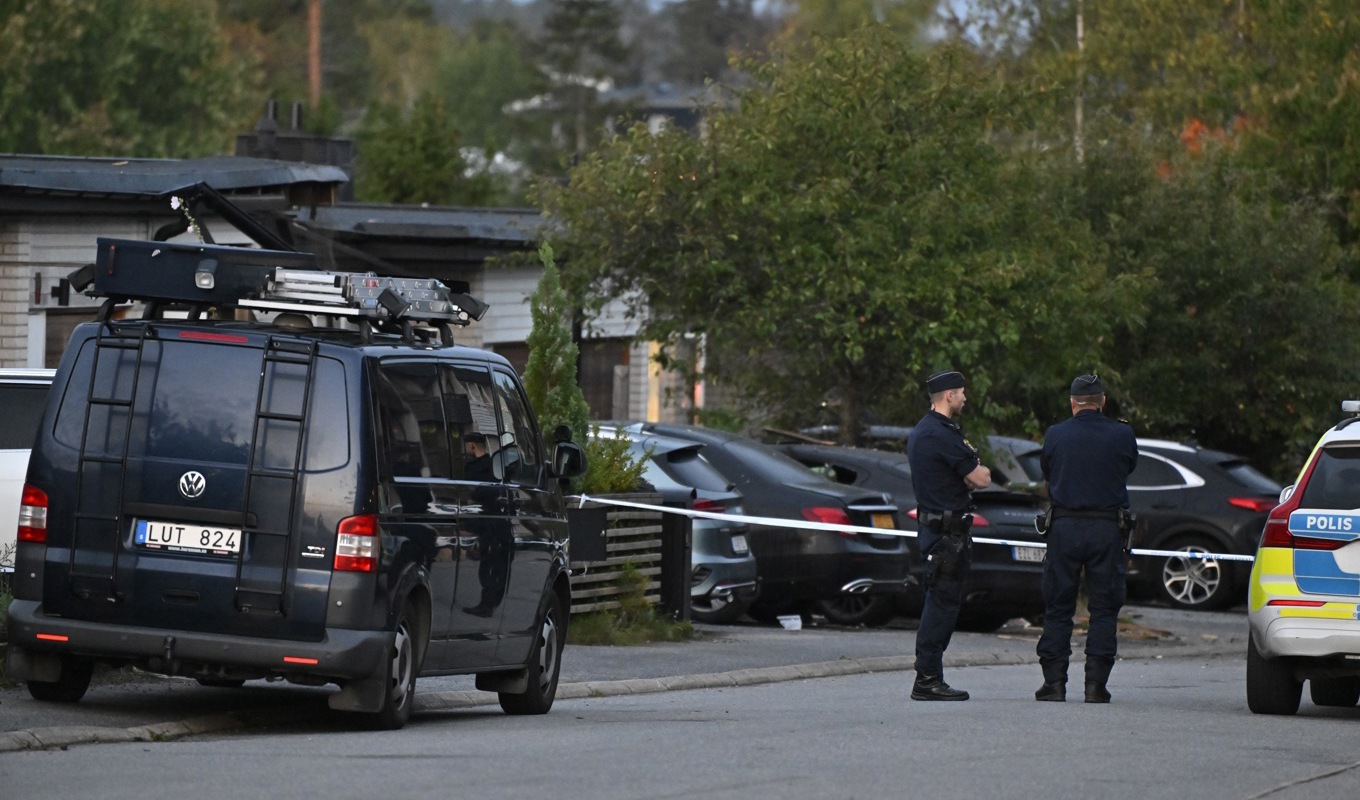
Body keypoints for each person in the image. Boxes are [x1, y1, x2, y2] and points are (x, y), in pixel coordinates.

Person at [1034, 374, 1139, 704]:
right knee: (1105, 608)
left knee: (1057, 606)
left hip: (1064, 528)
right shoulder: (1121, 434)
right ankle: (1096, 685)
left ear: (1072, 402)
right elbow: (1128, 467)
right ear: (1103, 401)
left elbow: (1048, 471)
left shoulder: (1056, 434)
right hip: (1106, 529)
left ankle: (1053, 684)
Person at [906, 369, 991, 701]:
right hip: (944, 534)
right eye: (962, 392)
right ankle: (927, 678)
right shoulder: (938, 434)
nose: (965, 398)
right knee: (940, 607)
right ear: (949, 396)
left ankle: (930, 676)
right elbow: (981, 478)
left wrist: (972, 472)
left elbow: (972, 475)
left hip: (943, 531)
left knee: (942, 604)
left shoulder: (934, 430)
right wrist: (974, 470)